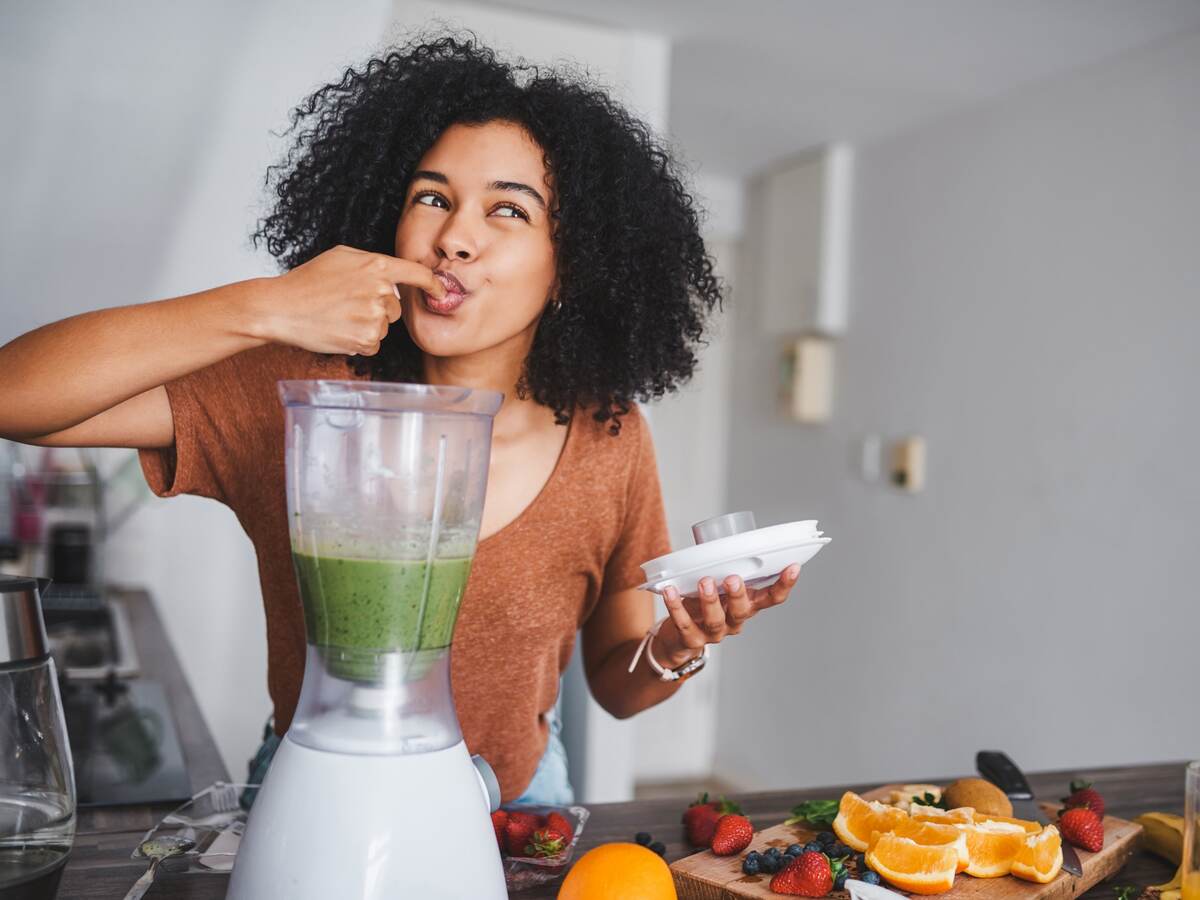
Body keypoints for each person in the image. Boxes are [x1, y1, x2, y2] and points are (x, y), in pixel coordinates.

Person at [0, 34, 802, 804]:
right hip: (314, 791)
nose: (454, 237)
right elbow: (15, 396)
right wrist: (265, 306)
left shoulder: (609, 438)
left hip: (518, 816)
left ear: (571, 266)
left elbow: (617, 689)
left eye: (508, 212)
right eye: (432, 198)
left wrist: (675, 646)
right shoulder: (302, 391)